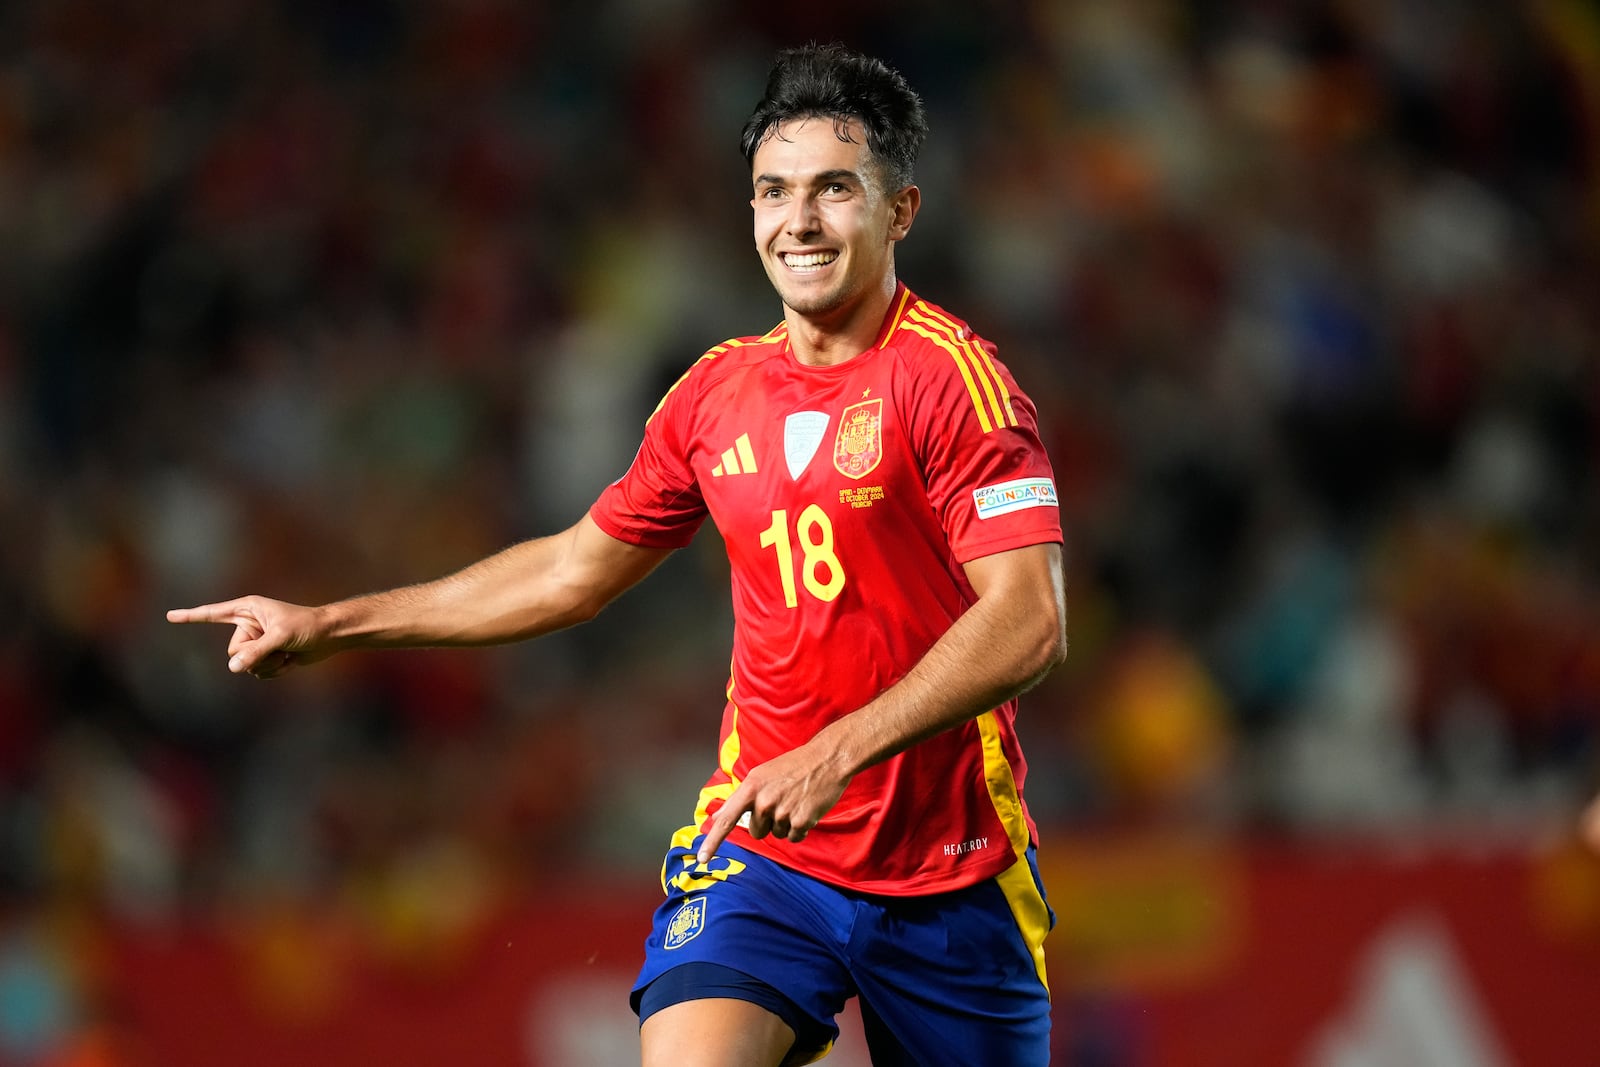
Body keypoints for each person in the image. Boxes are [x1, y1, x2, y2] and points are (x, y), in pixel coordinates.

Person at [170, 43, 1067, 1066]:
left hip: (949, 875)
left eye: (834, 190)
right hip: (765, 856)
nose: (799, 221)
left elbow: (1029, 619)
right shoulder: (712, 395)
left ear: (900, 210)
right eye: (773, 192)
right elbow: (571, 570)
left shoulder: (954, 382)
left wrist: (838, 746)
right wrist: (332, 623)